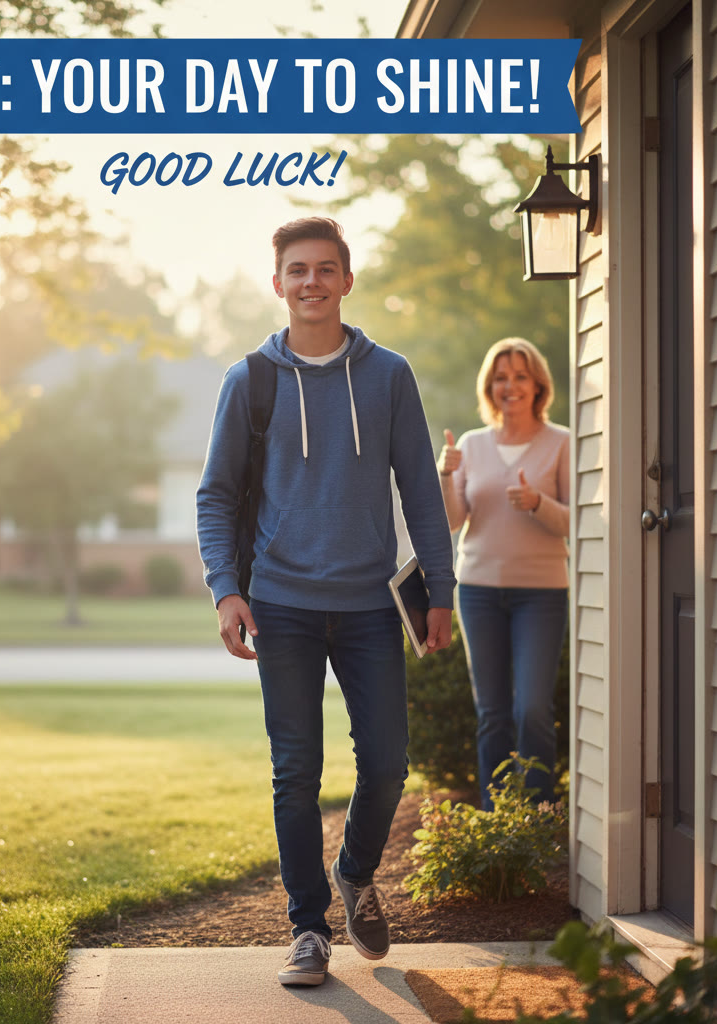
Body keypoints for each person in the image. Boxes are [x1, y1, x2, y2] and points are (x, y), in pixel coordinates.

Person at [196, 217, 455, 988]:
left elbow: (420, 490)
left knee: (385, 764)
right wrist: (226, 591)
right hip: (282, 605)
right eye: (297, 270)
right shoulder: (251, 380)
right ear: (278, 283)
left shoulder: (389, 375)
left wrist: (438, 590)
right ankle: (308, 928)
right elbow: (215, 496)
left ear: (347, 279)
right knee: (295, 770)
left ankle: (355, 872)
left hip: (372, 605)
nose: (311, 282)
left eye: (326, 269)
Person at [436, 337, 569, 811]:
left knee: (532, 707)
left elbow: (579, 522)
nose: (509, 385)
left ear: (538, 386)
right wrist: (447, 475)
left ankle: (535, 815)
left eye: (519, 376)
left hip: (543, 593)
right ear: (489, 387)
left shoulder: (562, 443)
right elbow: (453, 521)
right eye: (500, 377)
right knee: (491, 713)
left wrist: (539, 504)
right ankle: (496, 817)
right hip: (478, 592)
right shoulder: (470, 445)